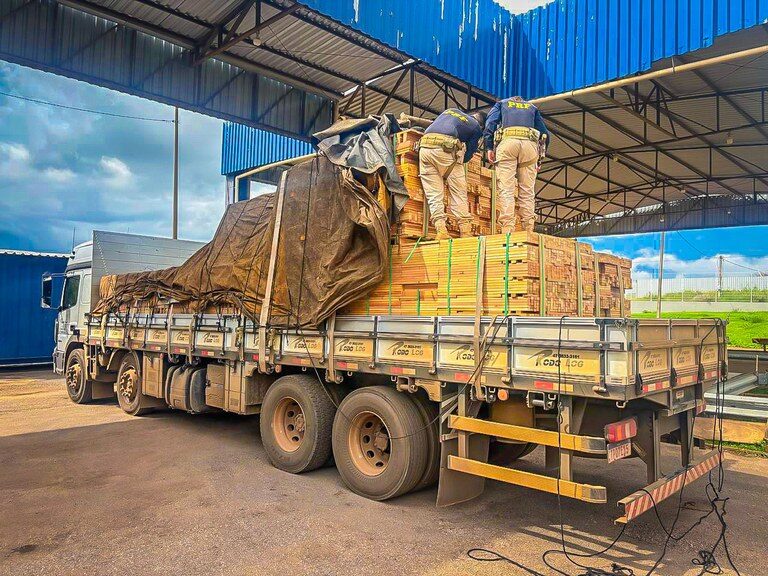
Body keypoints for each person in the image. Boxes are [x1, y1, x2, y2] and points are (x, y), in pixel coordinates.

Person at [483, 96, 549, 234]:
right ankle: (528, 228)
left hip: (508, 143)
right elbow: (545, 134)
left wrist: (489, 147)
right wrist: (540, 159)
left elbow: (490, 123)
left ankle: (507, 228)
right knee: (527, 190)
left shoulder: (501, 104)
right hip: (529, 146)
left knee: (506, 189)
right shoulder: (532, 107)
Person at [418, 108, 487, 239]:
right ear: (482, 125)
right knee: (458, 191)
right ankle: (465, 232)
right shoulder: (476, 127)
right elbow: (468, 155)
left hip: (424, 147)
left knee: (434, 194)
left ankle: (441, 231)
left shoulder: (450, 111)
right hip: (445, 147)